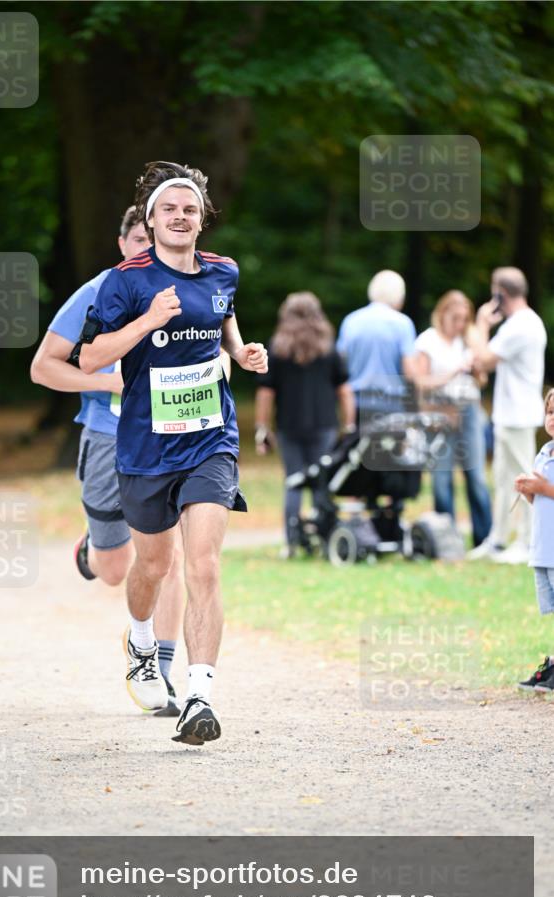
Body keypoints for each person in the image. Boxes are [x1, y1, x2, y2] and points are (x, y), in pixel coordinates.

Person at [74, 160, 268, 746]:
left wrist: (241, 350)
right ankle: (138, 637)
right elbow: (89, 358)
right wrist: (150, 320)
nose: (180, 217)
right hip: (144, 447)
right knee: (153, 567)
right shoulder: (126, 281)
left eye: (190, 209)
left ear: (201, 218)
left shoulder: (223, 272)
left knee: (203, 563)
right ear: (152, 219)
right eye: (169, 209)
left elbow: (224, 315)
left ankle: (200, 695)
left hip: (211, 440)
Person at [30, 206, 185, 716]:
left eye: (153, 237)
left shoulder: (186, 285)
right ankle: (90, 551)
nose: (147, 247)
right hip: (108, 436)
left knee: (169, 557)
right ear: (122, 244)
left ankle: (160, 670)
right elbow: (44, 367)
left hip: (168, 439)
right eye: (138, 238)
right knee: (116, 569)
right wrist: (106, 381)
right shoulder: (98, 292)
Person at [254, 291, 355, 556]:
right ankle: (325, 538)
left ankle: (292, 542)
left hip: (289, 425)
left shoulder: (277, 348)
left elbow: (266, 392)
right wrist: (349, 425)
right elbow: (344, 390)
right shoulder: (328, 347)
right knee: (322, 483)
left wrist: (262, 427)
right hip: (324, 425)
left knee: (293, 482)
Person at [469, 267, 547, 563]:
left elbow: (482, 360)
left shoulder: (521, 326)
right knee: (502, 480)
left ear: (500, 294)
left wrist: (481, 323)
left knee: (526, 481)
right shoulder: (522, 323)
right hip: (508, 414)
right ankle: (498, 539)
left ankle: (527, 541)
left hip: (517, 415)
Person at [411, 290, 492, 548]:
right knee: (442, 480)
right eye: (455, 318)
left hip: (468, 410)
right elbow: (421, 383)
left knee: (476, 477)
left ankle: (485, 539)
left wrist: (476, 370)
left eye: (464, 319)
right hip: (439, 413)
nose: (459, 324)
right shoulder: (428, 341)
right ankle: (448, 541)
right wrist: (454, 372)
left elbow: (482, 380)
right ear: (442, 314)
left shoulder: (467, 340)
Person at [336, 270, 418, 422]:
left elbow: (340, 365)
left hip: (355, 404)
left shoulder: (351, 321)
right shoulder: (403, 323)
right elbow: (410, 373)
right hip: (391, 406)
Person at [515, 387, 554, 693]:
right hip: (543, 549)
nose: (552, 419)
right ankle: (551, 665)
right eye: (550, 412)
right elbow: (541, 504)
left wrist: (543, 489)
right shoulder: (544, 454)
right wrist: (530, 492)